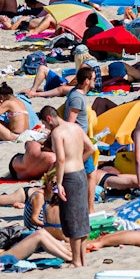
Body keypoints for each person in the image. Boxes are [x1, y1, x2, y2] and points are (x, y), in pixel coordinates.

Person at [46, 101, 93, 267]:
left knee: (72, 219)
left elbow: (60, 159)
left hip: (69, 177)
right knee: (82, 218)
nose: (46, 128)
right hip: (80, 173)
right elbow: (91, 149)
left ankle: (76, 261)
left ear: (49, 119)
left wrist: (58, 183)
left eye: (46, 124)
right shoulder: (76, 127)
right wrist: (80, 159)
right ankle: (82, 260)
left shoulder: (57, 133)